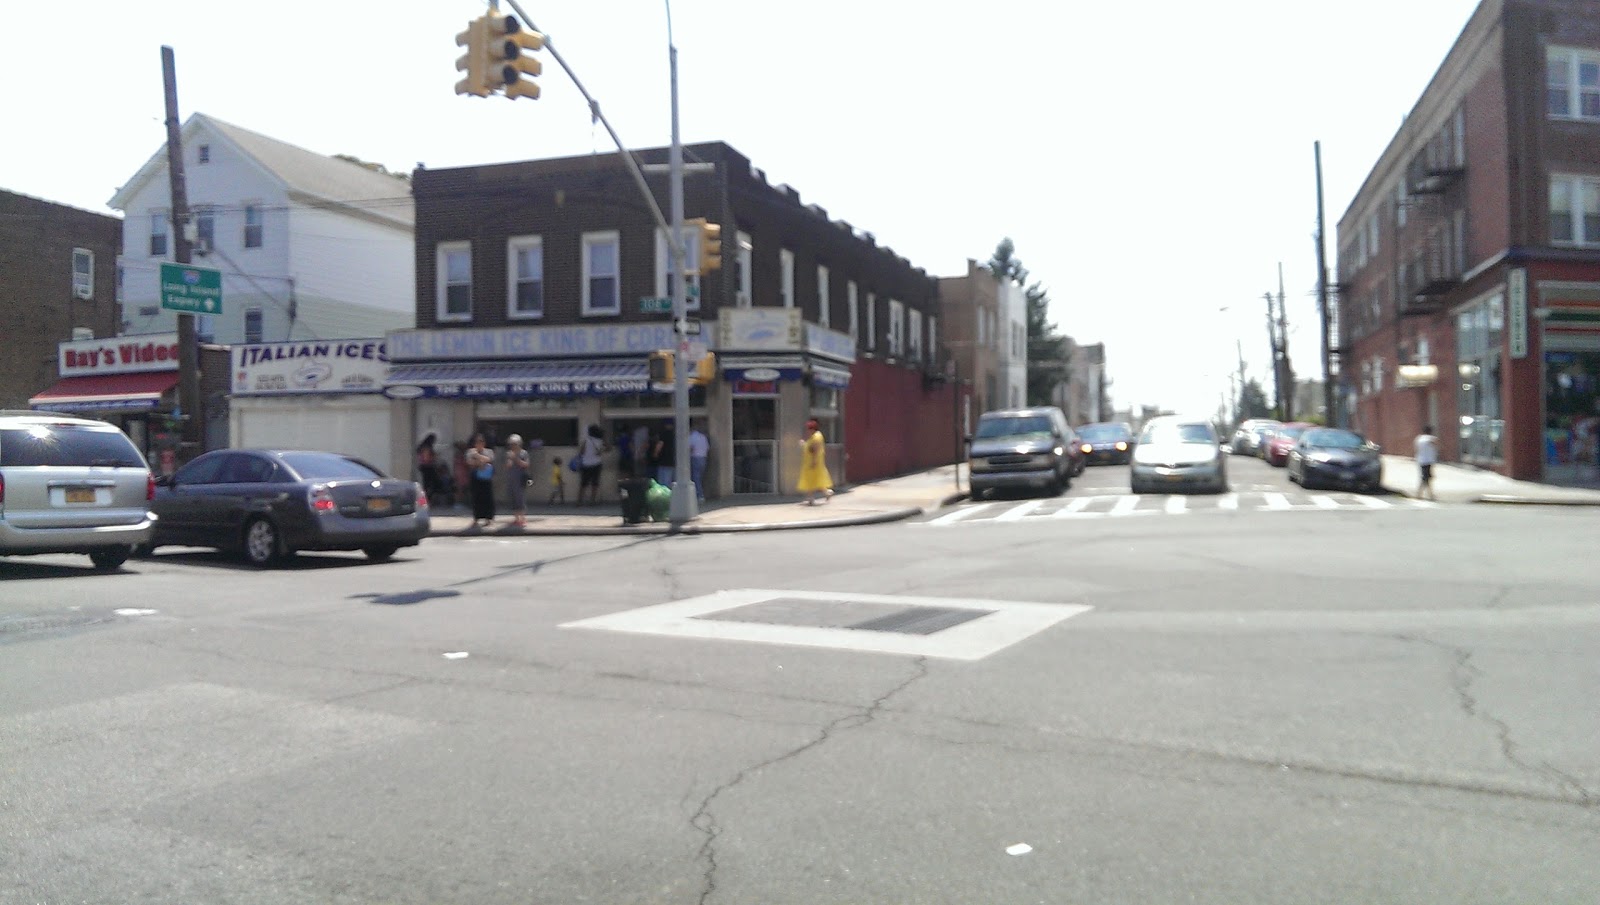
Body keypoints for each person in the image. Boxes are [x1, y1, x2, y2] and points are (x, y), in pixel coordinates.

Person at [797, 418, 834, 505]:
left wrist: (813, 462)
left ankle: (811, 498)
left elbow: (814, 451)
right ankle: (827, 493)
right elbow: (810, 448)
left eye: (809, 429)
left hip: (812, 462)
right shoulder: (815, 436)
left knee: (810, 479)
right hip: (814, 462)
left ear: (812, 429)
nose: (808, 431)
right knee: (817, 479)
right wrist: (804, 444)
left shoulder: (816, 438)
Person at [465, 433, 496, 526]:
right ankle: (477, 517)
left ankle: (488, 518)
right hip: (475, 476)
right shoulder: (470, 452)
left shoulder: (489, 451)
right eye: (478, 442)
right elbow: (469, 462)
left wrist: (478, 457)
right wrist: (481, 462)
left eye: (481, 441)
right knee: (476, 497)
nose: (479, 444)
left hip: (486, 477)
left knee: (488, 497)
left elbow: (490, 459)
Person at [504, 434, 530, 528]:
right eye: (511, 444)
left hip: (521, 479)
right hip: (512, 479)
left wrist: (516, 458)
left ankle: (522, 519)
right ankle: (516, 518)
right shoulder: (509, 453)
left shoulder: (524, 453)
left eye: (515, 444)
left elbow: (526, 465)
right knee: (513, 499)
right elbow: (508, 466)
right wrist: (510, 459)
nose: (513, 446)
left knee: (520, 499)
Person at [577, 424, 606, 505]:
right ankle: (592, 501)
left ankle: (579, 501)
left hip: (586, 464)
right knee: (595, 483)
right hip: (597, 464)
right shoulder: (600, 441)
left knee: (583, 484)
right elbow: (607, 448)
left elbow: (581, 452)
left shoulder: (586, 440)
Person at [1415, 423, 1439, 501]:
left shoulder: (1419, 439)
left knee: (1426, 477)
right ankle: (1422, 494)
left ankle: (1426, 494)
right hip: (1428, 460)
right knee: (1426, 478)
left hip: (1421, 460)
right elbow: (1435, 443)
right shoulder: (1430, 438)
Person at [415, 433, 443, 500]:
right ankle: (427, 498)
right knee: (433, 482)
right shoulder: (426, 447)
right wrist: (434, 457)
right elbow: (426, 458)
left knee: (427, 483)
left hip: (424, 467)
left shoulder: (422, 446)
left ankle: (427, 498)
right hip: (427, 466)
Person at [688, 422, 710, 502]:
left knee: (695, 478)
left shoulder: (691, 437)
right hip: (704, 458)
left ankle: (699, 495)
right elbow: (707, 448)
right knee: (700, 478)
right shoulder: (703, 437)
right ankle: (700, 494)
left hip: (695, 458)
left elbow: (690, 448)